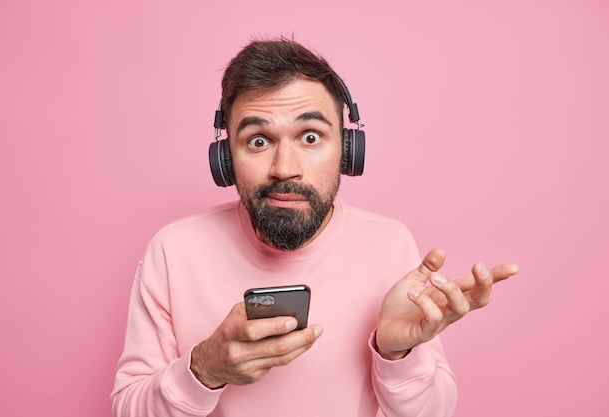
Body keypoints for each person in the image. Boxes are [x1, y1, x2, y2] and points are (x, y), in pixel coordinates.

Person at [111, 37, 519, 417]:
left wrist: (398, 355)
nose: (285, 168)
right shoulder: (173, 251)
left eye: (310, 136)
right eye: (257, 140)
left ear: (347, 149)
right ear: (224, 157)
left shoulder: (390, 244)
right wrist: (204, 369)